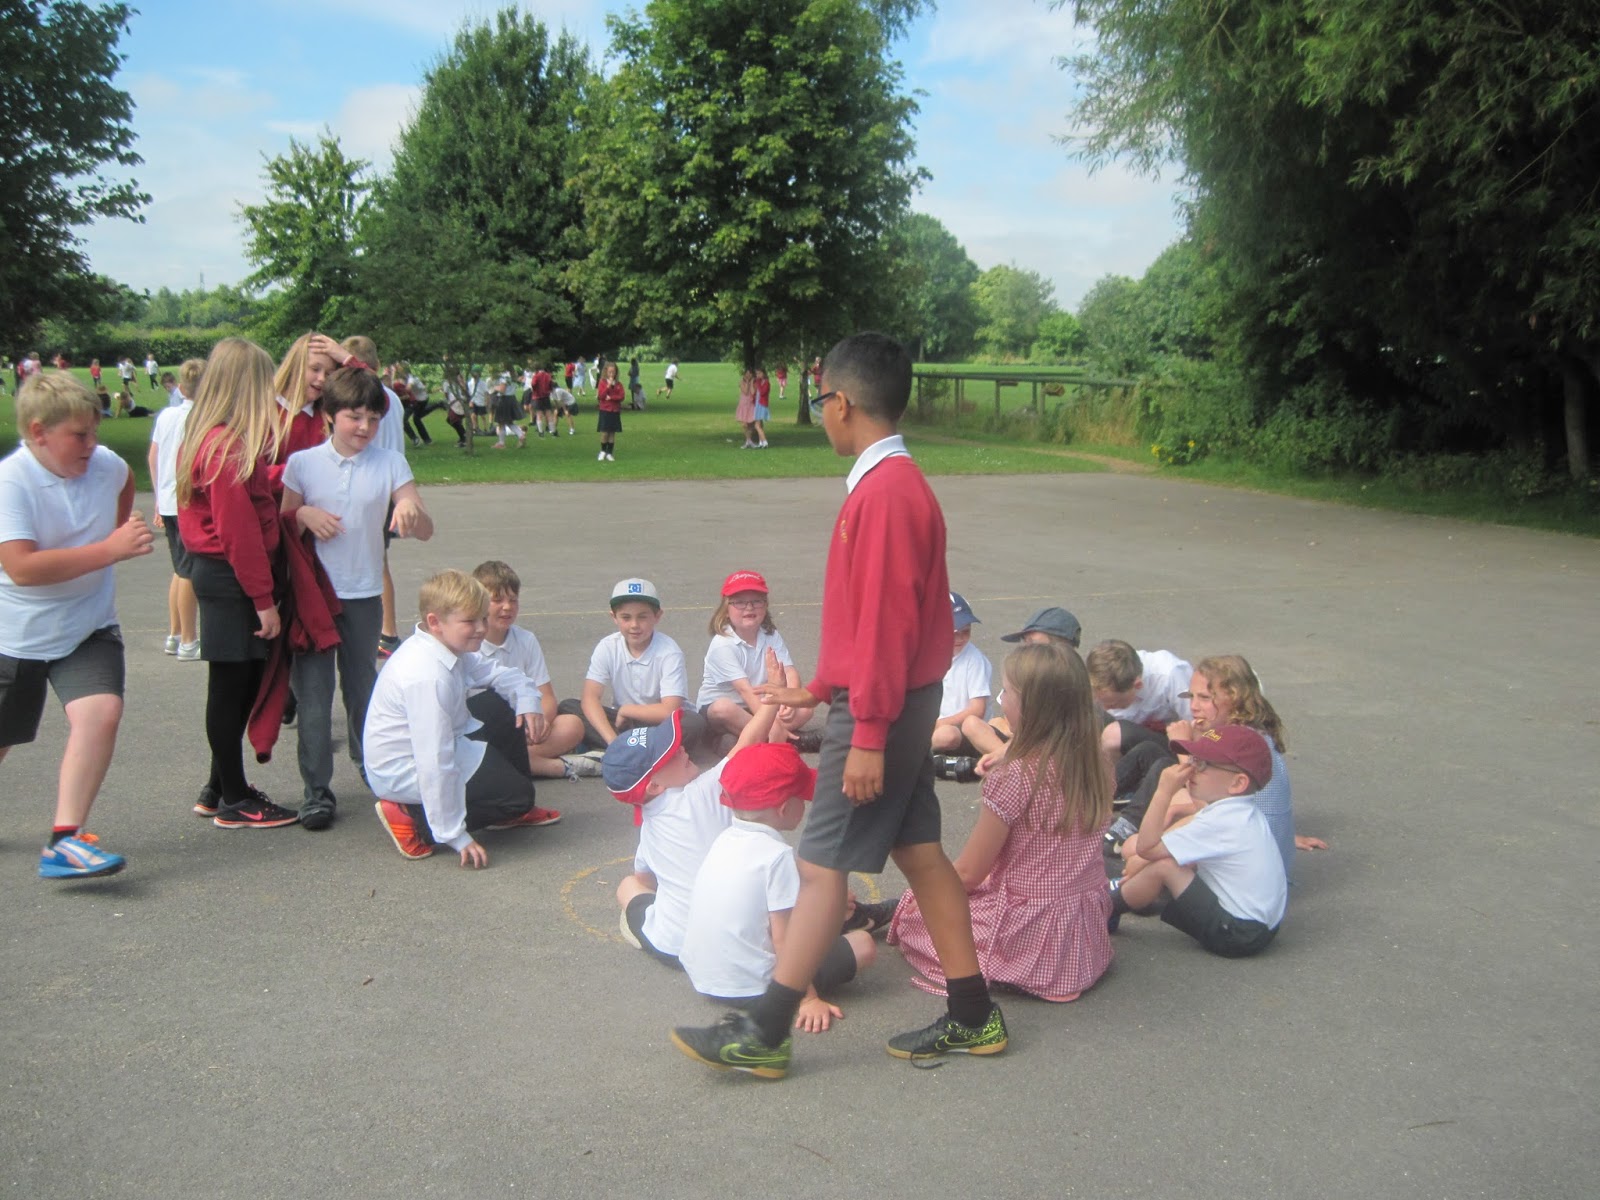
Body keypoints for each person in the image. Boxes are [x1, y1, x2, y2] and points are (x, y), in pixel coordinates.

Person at [671, 332, 1005, 1081]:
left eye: (820, 400)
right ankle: (975, 1013)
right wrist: (820, 687)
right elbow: (876, 619)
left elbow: (888, 626)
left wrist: (868, 732)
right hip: (895, 701)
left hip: (884, 710)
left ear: (843, 403)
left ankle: (764, 1030)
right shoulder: (890, 484)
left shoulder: (885, 493)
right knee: (919, 851)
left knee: (820, 865)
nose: (821, 414)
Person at [889, 642, 1114, 1000]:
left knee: (917, 919)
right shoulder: (1097, 763)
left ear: (1030, 707)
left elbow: (968, 874)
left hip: (1028, 929)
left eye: (1007, 691)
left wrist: (921, 897)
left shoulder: (1017, 777)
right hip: (1079, 927)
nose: (1001, 698)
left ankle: (1015, 972)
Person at [0, 370, 154, 879]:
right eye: (80, 436)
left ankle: (65, 840)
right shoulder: (11, 483)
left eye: (96, 431)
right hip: (15, 635)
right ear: (39, 432)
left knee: (101, 713)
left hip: (88, 628)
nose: (94, 444)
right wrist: (108, 550)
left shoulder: (105, 466)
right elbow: (21, 569)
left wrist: (114, 529)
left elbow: (127, 480)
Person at [281, 367, 434, 830]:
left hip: (364, 595)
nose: (364, 427)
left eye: (372, 417)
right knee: (313, 694)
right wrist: (303, 511)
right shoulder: (303, 464)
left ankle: (372, 766)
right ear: (329, 415)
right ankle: (315, 790)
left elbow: (425, 527)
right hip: (313, 596)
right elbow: (281, 522)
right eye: (353, 416)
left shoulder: (389, 463)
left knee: (363, 690)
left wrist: (410, 509)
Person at [678, 742, 883, 1042]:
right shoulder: (777, 856)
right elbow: (784, 938)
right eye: (802, 797)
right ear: (785, 808)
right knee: (863, 945)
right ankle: (801, 989)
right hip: (753, 987)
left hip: (704, 976)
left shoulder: (724, 838)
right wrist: (806, 998)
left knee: (830, 908)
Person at [176, 338, 300, 829]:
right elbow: (239, 533)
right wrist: (263, 600)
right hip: (232, 578)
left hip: (226, 576)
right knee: (231, 687)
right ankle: (234, 795)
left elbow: (248, 495)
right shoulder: (226, 446)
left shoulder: (209, 437)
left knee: (239, 683)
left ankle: (218, 786)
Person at [364, 570, 560, 866]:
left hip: (434, 744)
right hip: (405, 769)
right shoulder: (428, 677)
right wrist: (455, 835)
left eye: (482, 618)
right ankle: (414, 819)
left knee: (498, 704)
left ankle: (511, 809)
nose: (481, 628)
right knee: (516, 796)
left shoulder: (446, 645)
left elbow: (499, 674)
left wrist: (528, 701)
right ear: (435, 622)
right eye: (470, 621)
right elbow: (435, 762)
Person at [609, 650, 784, 967]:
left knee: (628, 886)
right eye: (670, 754)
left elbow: (643, 879)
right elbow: (750, 738)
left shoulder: (649, 824)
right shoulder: (701, 792)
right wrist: (773, 694)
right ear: (654, 786)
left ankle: (644, 927)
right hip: (728, 938)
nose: (682, 750)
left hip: (672, 947)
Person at [1110, 725, 1287, 958]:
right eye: (1193, 759)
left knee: (1165, 867)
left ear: (1237, 783)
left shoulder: (1221, 822)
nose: (1190, 769)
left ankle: (1104, 908)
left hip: (1238, 933)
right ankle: (1132, 896)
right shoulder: (1241, 811)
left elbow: (1147, 848)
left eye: (1202, 764)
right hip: (1264, 927)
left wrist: (1163, 792)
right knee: (1174, 862)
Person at [468, 560, 593, 781]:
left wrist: (540, 722)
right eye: (497, 600)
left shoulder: (526, 639)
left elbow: (546, 696)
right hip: (488, 730)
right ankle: (549, 766)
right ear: (478, 603)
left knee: (572, 724)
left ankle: (516, 762)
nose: (507, 607)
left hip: (525, 729)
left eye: (513, 600)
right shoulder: (469, 646)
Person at [559, 577, 708, 758]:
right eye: (626, 617)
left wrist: (627, 709)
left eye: (642, 617)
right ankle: (629, 749)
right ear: (614, 617)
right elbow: (590, 698)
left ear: (657, 616)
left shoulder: (669, 651)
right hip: (623, 724)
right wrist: (612, 741)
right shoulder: (607, 647)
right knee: (569, 707)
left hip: (658, 722)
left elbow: (669, 709)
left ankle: (631, 751)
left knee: (693, 723)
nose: (634, 625)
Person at [696, 569, 813, 750]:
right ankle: (787, 740)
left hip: (756, 707)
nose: (749, 608)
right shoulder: (722, 644)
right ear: (726, 610)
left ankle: (749, 739)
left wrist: (789, 699)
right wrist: (772, 724)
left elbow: (789, 671)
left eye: (756, 601)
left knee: (805, 708)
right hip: (726, 709)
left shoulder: (770, 634)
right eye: (740, 603)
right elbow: (745, 690)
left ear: (765, 606)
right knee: (723, 708)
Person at [956, 605, 1083, 766]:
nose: (1024, 649)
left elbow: (1047, 732)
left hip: (1045, 745)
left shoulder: (1065, 682)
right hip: (1021, 737)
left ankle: (1010, 764)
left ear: (1061, 646)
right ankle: (1009, 760)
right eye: (1024, 642)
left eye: (1033, 643)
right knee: (974, 724)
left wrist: (1004, 749)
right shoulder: (1024, 675)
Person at [148, 358, 203, 661]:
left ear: (181, 388)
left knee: (180, 569)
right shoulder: (203, 418)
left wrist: (158, 497)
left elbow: (154, 457)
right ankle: (189, 640)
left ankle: (174, 634)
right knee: (189, 571)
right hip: (187, 501)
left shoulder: (167, 416)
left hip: (169, 499)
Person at [929, 591, 991, 781]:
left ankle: (909, 754)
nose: (961, 638)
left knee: (947, 735)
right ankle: (925, 753)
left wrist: (940, 723)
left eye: (966, 631)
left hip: (963, 732)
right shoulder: (928, 654)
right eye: (954, 633)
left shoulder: (974, 660)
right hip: (933, 727)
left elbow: (977, 709)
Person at [1086, 638, 1194, 734]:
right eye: (1100, 701)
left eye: (1113, 704)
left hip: (1169, 738)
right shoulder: (1093, 679)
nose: (1106, 708)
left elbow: (1197, 725)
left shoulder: (1172, 676)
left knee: (1115, 736)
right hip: (1129, 731)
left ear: (1137, 685)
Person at [595, 361, 624, 462]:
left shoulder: (619, 384)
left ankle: (609, 453)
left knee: (612, 432)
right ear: (606, 372)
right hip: (605, 410)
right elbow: (601, 396)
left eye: (613, 372)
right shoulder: (602, 383)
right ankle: (603, 451)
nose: (612, 374)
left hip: (615, 410)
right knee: (604, 432)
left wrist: (611, 397)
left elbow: (621, 396)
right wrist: (608, 387)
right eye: (610, 372)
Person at [490, 376, 525, 449]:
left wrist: (494, 387)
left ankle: (502, 443)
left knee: (501, 422)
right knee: (508, 422)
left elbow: (502, 390)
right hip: (512, 398)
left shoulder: (504, 376)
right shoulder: (512, 375)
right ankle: (520, 435)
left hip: (504, 400)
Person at [530, 363, 555, 436]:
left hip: (537, 397)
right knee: (549, 414)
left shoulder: (536, 376)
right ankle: (553, 431)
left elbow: (533, 384)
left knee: (539, 414)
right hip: (546, 396)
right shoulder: (548, 375)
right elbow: (551, 384)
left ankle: (541, 432)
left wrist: (534, 390)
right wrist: (548, 390)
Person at [735, 369, 758, 449]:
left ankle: (749, 441)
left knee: (751, 424)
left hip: (751, 404)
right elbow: (745, 391)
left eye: (750, 374)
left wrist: (751, 383)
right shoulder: (741, 382)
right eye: (746, 374)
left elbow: (752, 392)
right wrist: (748, 382)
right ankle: (748, 441)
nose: (748, 375)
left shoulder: (754, 382)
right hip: (743, 405)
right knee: (744, 424)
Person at [752, 367, 771, 448]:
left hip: (762, 404)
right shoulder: (759, 382)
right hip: (758, 404)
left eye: (759, 373)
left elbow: (763, 392)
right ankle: (761, 442)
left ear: (763, 373)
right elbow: (755, 392)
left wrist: (758, 383)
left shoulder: (766, 382)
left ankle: (765, 441)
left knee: (757, 425)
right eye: (757, 373)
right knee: (759, 424)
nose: (758, 375)